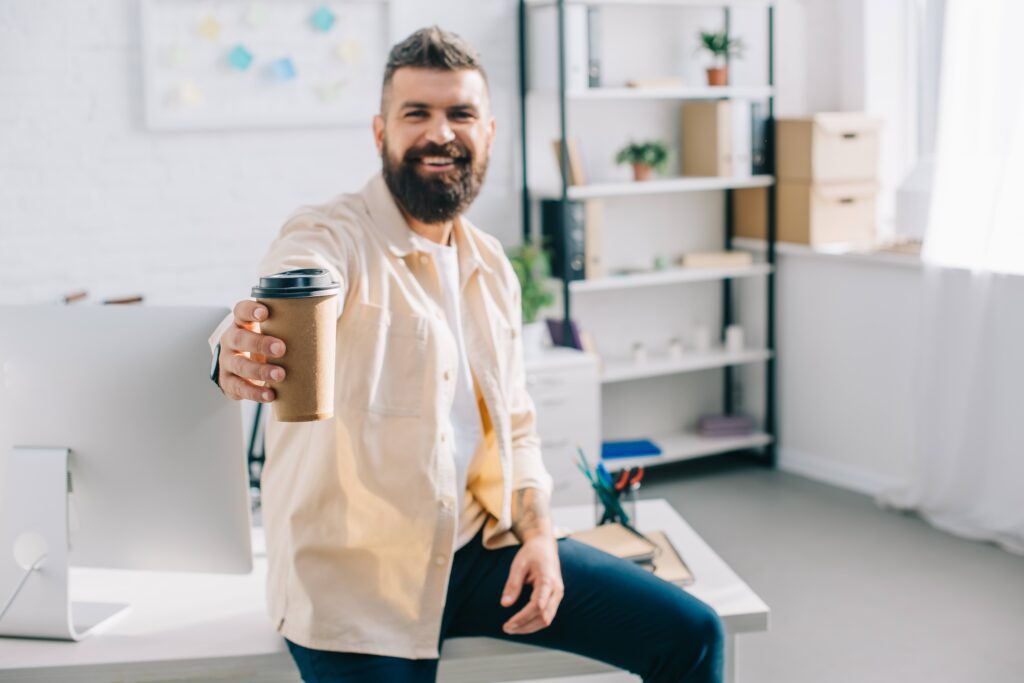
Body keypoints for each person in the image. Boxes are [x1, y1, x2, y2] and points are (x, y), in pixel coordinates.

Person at [211, 26, 724, 683]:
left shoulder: (491, 267)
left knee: (693, 635)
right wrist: (239, 341)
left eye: (460, 114)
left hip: (480, 553)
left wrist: (539, 537)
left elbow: (516, 423)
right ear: (380, 132)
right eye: (416, 113)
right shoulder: (330, 233)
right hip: (357, 585)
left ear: (488, 131)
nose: (440, 133)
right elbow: (297, 277)